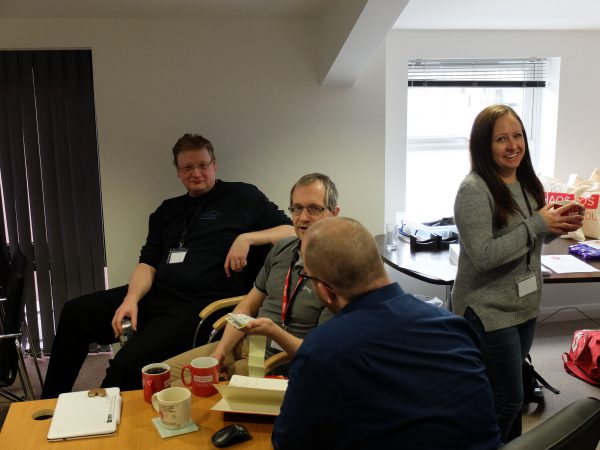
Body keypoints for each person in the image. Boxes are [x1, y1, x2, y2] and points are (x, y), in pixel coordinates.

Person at [41, 133, 293, 398]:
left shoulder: (243, 196)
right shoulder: (167, 210)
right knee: (76, 313)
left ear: (214, 164)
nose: (196, 173)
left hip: (196, 306)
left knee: (128, 365)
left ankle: (105, 418)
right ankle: (46, 403)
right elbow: (148, 263)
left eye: (203, 165)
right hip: (157, 294)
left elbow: (289, 230)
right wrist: (131, 299)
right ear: (178, 172)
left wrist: (247, 238)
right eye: (187, 168)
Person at [272, 217, 503, 450]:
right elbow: (497, 407)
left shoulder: (321, 351)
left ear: (325, 290)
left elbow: (288, 442)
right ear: (377, 263)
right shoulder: (456, 327)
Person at [452, 104, 584, 442]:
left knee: (513, 397)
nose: (513, 145)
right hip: (488, 310)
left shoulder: (526, 182)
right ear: (484, 145)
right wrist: (539, 223)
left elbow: (527, 237)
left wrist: (556, 225)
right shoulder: (474, 190)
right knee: (506, 398)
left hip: (523, 306)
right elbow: (483, 256)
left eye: (518, 135)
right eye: (501, 139)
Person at [165, 173, 340, 381]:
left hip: (282, 363)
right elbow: (247, 307)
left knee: (195, 385)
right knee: (166, 375)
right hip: (248, 344)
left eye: (314, 209)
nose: (303, 217)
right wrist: (219, 353)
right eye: (297, 208)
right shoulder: (283, 249)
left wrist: (274, 332)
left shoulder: (338, 271)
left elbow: (317, 353)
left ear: (334, 213)